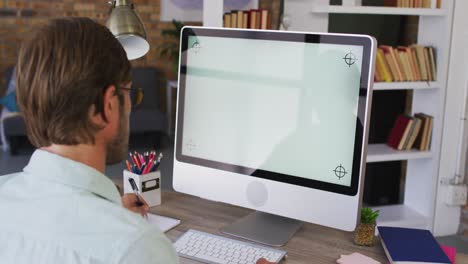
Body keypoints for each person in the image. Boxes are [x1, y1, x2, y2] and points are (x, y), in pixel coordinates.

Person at [0, 17, 274, 264]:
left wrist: (109, 214)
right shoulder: (139, 248)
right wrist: (118, 228)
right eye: (130, 94)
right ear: (107, 106)